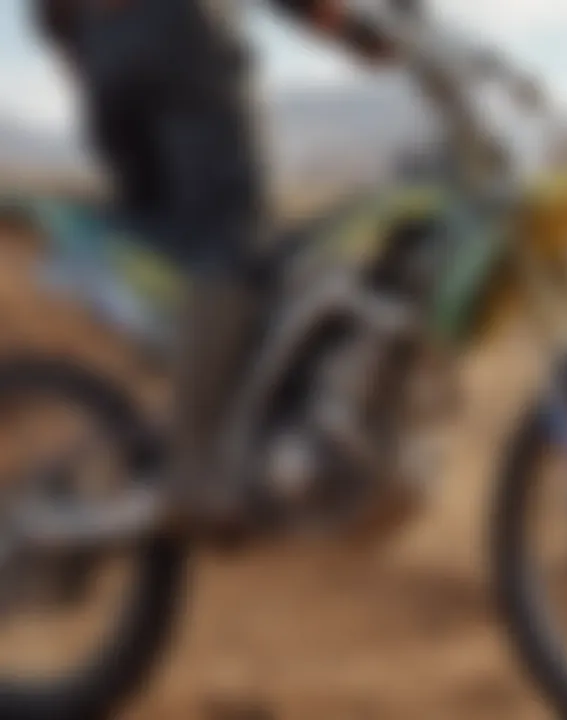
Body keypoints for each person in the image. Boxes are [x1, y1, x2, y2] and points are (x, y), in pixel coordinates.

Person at [34, 0, 395, 532]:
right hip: (179, 33)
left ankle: (186, 423)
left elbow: (48, 14)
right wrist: (354, 31)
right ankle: (194, 468)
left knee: (167, 246)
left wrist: (91, 60)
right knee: (228, 238)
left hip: (102, 53)